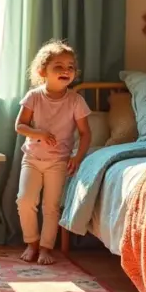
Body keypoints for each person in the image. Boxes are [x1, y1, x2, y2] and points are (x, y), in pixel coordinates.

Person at [14, 39, 92, 264]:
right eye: (59, 66)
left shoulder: (76, 101)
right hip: (32, 159)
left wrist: (78, 157)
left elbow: (86, 133)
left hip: (58, 162)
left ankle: (46, 248)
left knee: (51, 206)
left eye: (70, 67)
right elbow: (20, 126)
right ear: (42, 71)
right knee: (25, 200)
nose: (66, 70)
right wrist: (39, 134)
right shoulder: (34, 97)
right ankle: (32, 243)